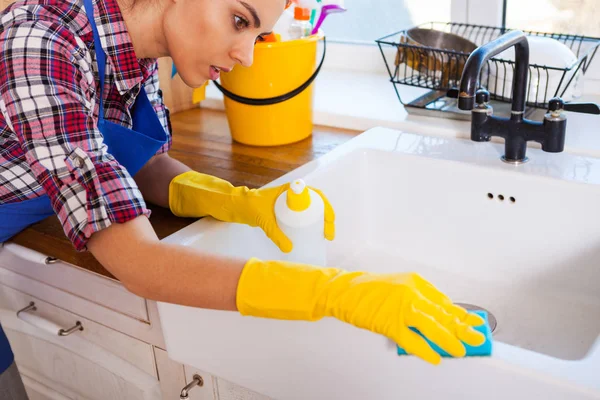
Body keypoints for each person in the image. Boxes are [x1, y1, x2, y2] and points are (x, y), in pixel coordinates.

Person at [0, 0, 486, 397]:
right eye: (239, 21)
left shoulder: (137, 48)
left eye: (257, 35)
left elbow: (130, 158)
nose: (247, 57)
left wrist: (233, 199)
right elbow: (140, 263)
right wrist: (334, 292)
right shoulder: (41, 43)